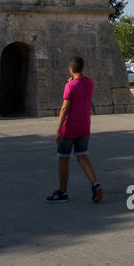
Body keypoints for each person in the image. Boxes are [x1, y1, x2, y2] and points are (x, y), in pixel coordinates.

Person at [47, 56, 103, 203]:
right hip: (84, 127)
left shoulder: (70, 86)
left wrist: (58, 130)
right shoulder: (90, 83)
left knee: (63, 158)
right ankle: (95, 184)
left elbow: (65, 108)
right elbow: (82, 89)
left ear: (71, 69)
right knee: (83, 156)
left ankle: (63, 192)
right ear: (82, 68)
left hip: (69, 127)